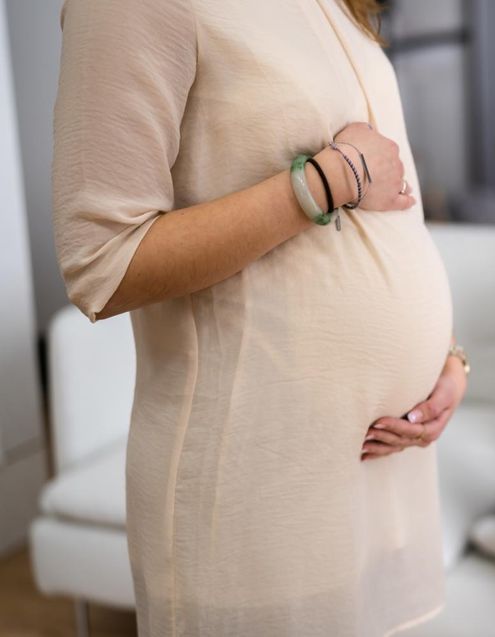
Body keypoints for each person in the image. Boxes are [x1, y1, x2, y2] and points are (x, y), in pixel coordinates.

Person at [51, 1, 467, 635]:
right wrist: (330, 181)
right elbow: (102, 263)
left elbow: (392, 199)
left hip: (383, 473)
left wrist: (446, 356)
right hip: (259, 487)